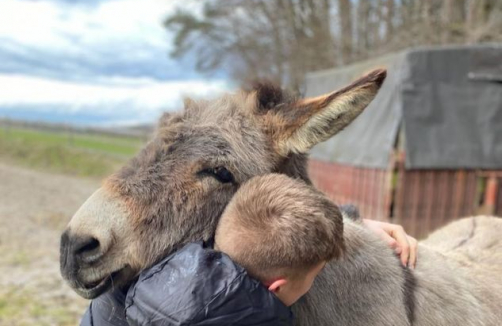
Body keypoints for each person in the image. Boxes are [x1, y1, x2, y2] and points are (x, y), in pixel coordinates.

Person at [81, 174, 417, 326]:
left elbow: (265, 223)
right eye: (315, 275)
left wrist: (351, 225)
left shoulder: (136, 278)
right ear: (277, 288)